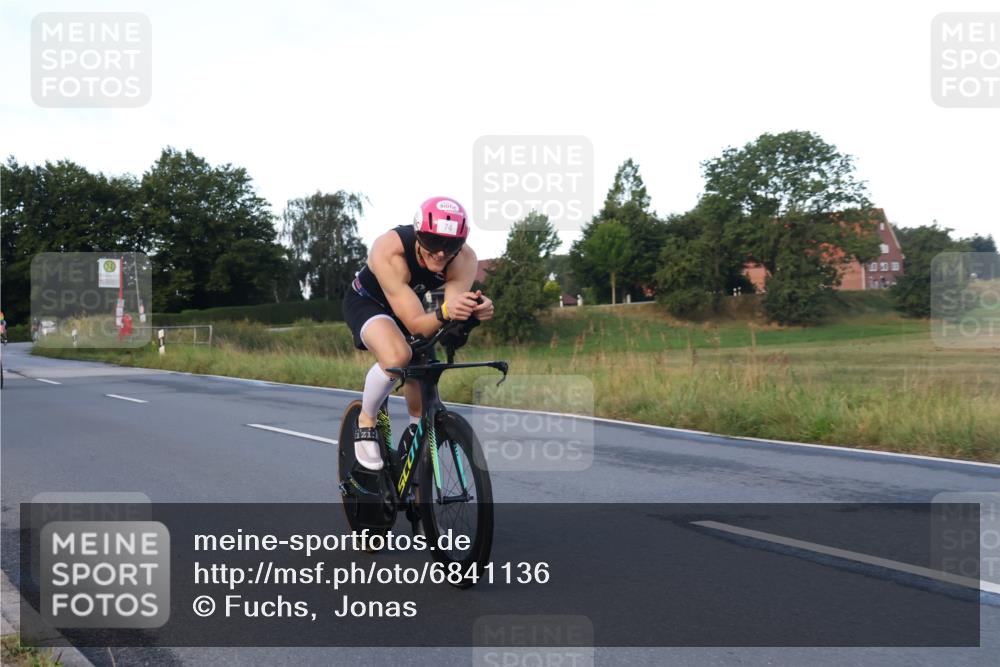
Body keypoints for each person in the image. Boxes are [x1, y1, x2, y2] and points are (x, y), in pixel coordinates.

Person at [342, 196, 494, 470]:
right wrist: (446, 311)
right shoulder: (389, 250)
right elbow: (415, 324)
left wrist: (472, 312)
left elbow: (449, 318)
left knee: (423, 386)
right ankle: (366, 420)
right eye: (433, 242)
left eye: (451, 245)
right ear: (418, 234)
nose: (441, 253)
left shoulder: (464, 259)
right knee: (398, 355)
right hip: (369, 303)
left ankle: (412, 460)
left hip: (411, 307)